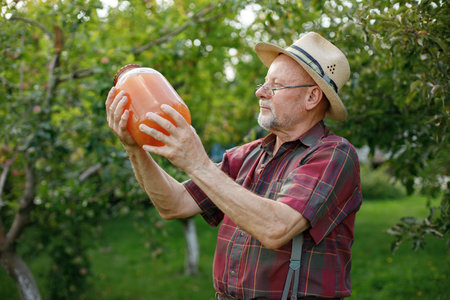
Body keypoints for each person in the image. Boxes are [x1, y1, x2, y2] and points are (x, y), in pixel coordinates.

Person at [105, 32, 362, 299]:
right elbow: (174, 204)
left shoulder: (333, 155)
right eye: (264, 82)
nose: (260, 92)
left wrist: (198, 164)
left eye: (275, 86)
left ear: (312, 97)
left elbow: (276, 228)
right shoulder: (248, 155)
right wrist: (133, 147)